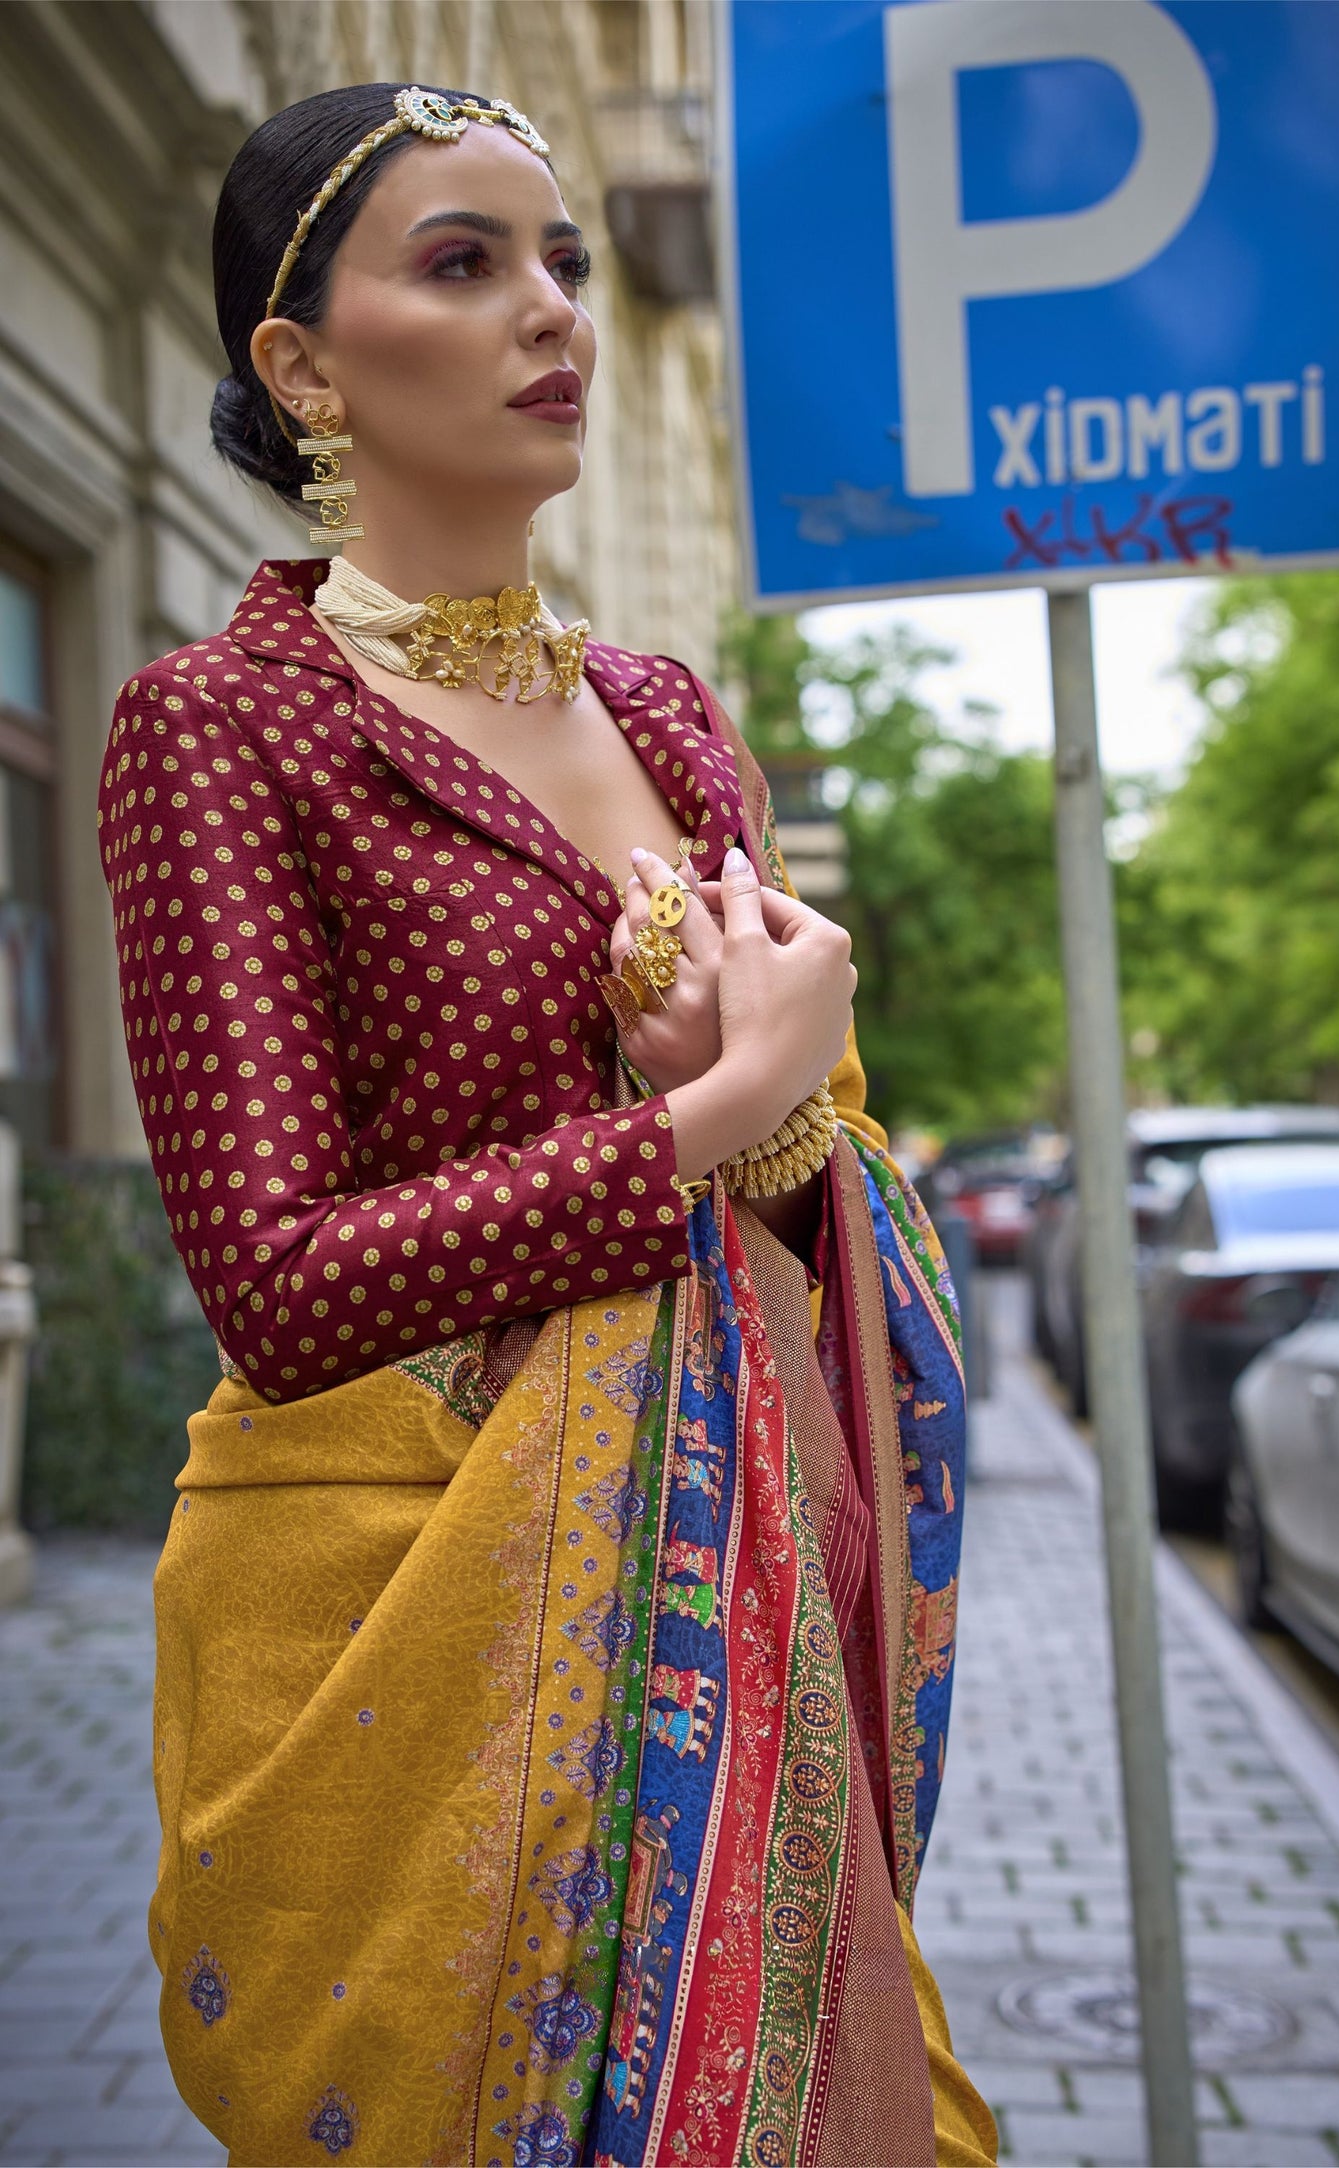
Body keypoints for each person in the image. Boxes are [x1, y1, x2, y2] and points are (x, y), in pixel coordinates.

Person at [97, 81, 996, 2168]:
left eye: (565, 264)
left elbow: (805, 1199)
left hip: (723, 1593)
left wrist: (787, 1139)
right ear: (302, 364)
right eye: (464, 263)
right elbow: (274, 1275)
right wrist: (710, 1116)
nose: (550, 313)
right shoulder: (220, 726)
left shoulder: (675, 714)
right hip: (399, 1640)